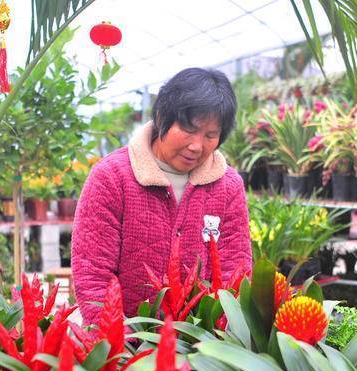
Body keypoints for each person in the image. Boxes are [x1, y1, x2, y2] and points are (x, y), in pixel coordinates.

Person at [71, 68, 252, 323]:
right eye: (189, 129)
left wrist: (217, 337)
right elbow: (93, 274)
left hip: (202, 340)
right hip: (124, 339)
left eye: (210, 135)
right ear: (161, 117)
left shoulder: (227, 186)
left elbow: (236, 270)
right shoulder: (112, 177)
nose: (196, 145)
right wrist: (120, 340)